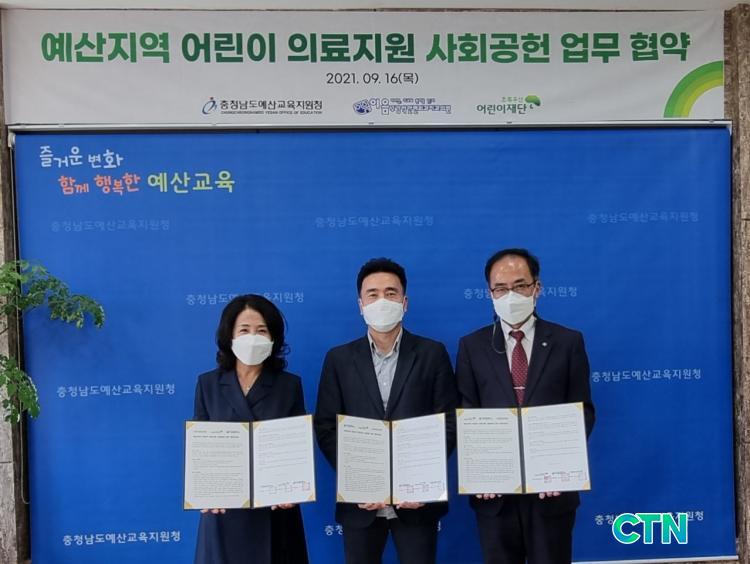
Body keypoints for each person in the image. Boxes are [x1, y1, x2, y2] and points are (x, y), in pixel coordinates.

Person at [314, 258, 457, 564]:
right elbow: (326, 427)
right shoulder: (339, 359)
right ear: (361, 305)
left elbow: (448, 422)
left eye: (391, 293)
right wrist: (358, 478)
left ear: (405, 302)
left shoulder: (432, 353)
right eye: (373, 294)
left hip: (417, 501)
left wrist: (422, 478)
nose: (382, 301)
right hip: (360, 502)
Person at [456, 248, 595, 564]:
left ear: (537, 288)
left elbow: (583, 411)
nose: (511, 295)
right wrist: (480, 472)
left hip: (552, 493)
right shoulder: (472, 346)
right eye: (501, 288)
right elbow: (466, 414)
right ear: (490, 293)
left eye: (520, 286)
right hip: (495, 496)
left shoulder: (568, 342)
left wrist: (560, 465)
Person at [193, 294, 309, 564]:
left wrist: (293, 488)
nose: (253, 338)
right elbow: (201, 450)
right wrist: (203, 491)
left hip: (276, 512)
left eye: (261, 330)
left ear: (273, 338)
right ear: (230, 336)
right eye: (244, 330)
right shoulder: (208, 384)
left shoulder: (289, 385)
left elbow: (296, 449)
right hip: (224, 512)